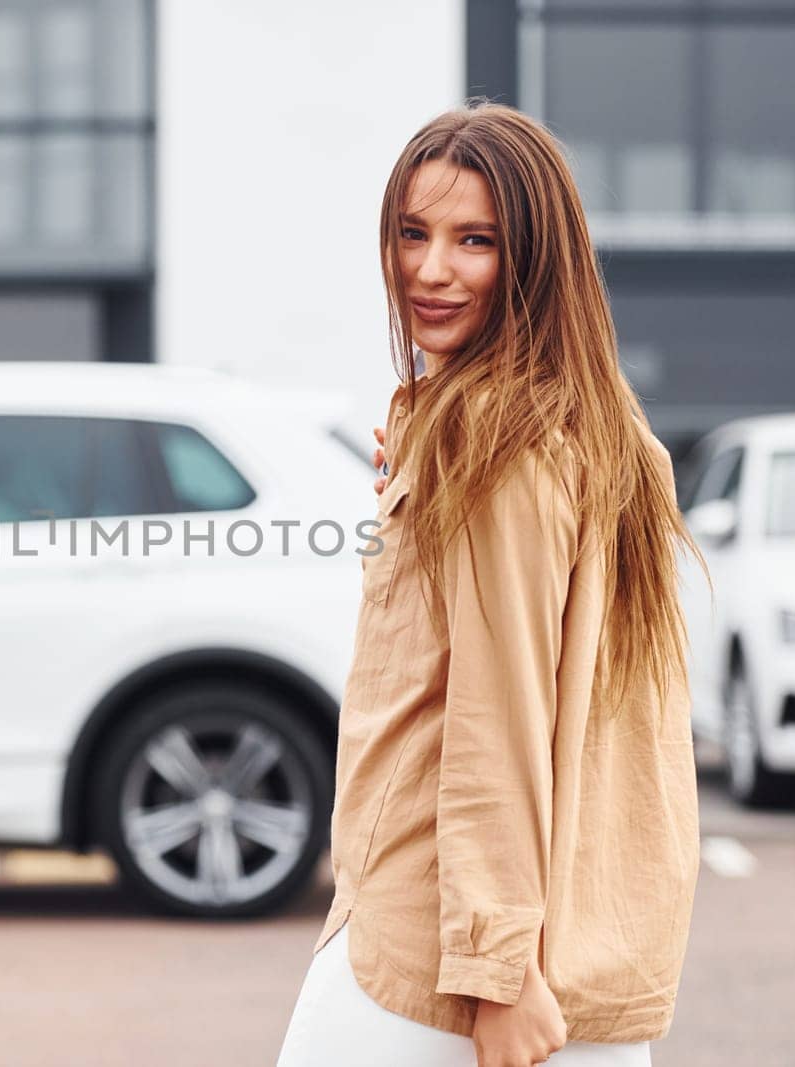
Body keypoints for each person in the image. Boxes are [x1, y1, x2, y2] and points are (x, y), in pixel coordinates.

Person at [274, 101, 707, 1067]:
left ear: (536, 259)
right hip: (586, 953)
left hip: (445, 958)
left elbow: (497, 718)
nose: (432, 270)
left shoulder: (499, 447)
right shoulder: (606, 436)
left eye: (476, 240)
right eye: (412, 233)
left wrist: (496, 970)